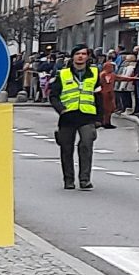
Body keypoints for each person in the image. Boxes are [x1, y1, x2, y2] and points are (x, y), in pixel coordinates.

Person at [54, 45, 101, 190]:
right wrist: (61, 110)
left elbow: (99, 97)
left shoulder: (94, 73)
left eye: (83, 54)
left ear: (88, 57)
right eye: (77, 54)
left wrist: (100, 118)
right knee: (66, 149)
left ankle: (84, 179)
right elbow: (53, 95)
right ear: (73, 57)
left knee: (86, 144)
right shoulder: (63, 74)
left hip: (87, 116)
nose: (80, 56)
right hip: (68, 116)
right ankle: (69, 180)